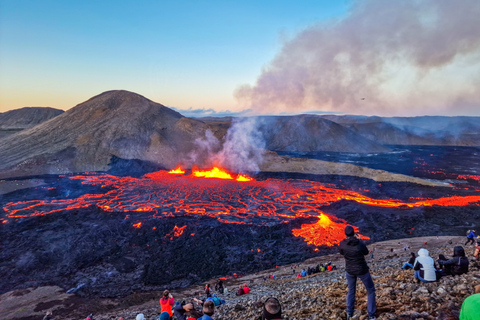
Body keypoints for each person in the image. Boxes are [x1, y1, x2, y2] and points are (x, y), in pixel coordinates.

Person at [339, 226, 376, 320]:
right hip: (362, 270)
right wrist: (359, 240)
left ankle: (349, 313)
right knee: (370, 290)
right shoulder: (359, 243)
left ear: (345, 233)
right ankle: (371, 315)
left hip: (350, 270)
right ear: (354, 233)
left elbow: (342, 252)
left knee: (351, 291)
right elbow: (366, 252)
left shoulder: (342, 244)